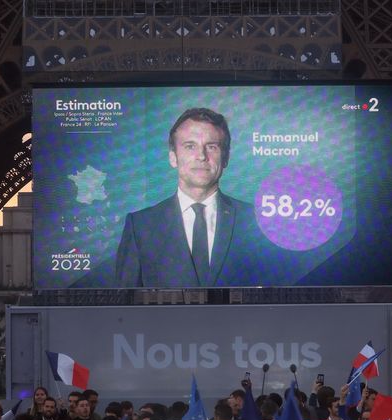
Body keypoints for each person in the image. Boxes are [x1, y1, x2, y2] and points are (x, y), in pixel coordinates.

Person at [114, 107, 281, 287]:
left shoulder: (256, 221)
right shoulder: (140, 226)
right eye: (190, 146)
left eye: (211, 147)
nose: (201, 156)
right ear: (173, 157)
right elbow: (125, 306)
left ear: (225, 158)